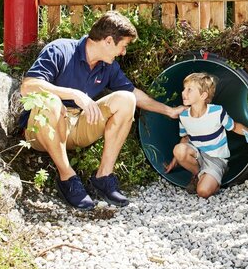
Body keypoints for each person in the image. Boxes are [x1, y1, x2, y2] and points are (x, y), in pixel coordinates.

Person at [19, 11, 184, 210]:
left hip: (77, 127)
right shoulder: (60, 49)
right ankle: (67, 177)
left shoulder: (108, 67)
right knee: (52, 101)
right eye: (123, 46)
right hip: (43, 130)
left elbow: (135, 94)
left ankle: (103, 177)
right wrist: (73, 94)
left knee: (126, 99)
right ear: (108, 41)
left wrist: (169, 111)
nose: (123, 52)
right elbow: (28, 86)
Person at [164, 72, 248, 198]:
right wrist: (175, 160)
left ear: (203, 95)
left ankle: (210, 178)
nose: (183, 93)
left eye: (189, 90)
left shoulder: (217, 111)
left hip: (216, 159)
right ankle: (198, 175)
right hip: (197, 155)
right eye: (184, 89)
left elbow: (235, 126)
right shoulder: (183, 116)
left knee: (202, 192)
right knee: (178, 149)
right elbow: (185, 138)